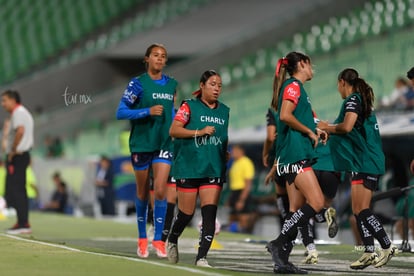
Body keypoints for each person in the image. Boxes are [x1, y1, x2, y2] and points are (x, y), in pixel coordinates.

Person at [318, 68, 398, 269]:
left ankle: (387, 246)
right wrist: (331, 131)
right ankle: (369, 252)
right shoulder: (358, 100)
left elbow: (346, 127)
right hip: (359, 161)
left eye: (338, 85)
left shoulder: (353, 100)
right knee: (357, 210)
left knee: (362, 209)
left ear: (342, 82)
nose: (338, 89)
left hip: (366, 161)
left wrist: (327, 127)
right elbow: (347, 130)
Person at [264, 52, 327, 274]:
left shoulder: (295, 87)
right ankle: (279, 242)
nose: (313, 68)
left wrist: (315, 129)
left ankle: (282, 260)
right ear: (302, 64)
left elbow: (294, 118)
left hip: (291, 155)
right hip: (295, 155)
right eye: (311, 63)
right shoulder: (293, 86)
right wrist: (310, 131)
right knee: (317, 203)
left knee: (294, 210)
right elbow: (285, 115)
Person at [116, 43, 177, 258]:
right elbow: (121, 112)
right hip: (142, 143)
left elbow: (172, 111)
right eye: (156, 55)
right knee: (142, 191)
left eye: (163, 56)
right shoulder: (137, 84)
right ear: (147, 59)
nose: (160, 59)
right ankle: (142, 237)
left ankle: (158, 239)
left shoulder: (172, 85)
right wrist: (146, 111)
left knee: (160, 190)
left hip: (164, 144)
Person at [167, 70, 229, 267]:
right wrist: (199, 132)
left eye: (219, 85)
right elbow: (174, 130)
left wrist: (223, 153)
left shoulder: (225, 110)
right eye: (212, 84)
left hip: (213, 168)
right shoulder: (189, 106)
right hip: (189, 167)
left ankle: (201, 257)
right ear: (202, 85)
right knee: (186, 213)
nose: (217, 88)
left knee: (209, 212)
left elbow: (222, 138)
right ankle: (172, 239)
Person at [1, 90, 34, 234]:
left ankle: (23, 223)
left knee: (18, 190)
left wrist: (13, 149)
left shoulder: (18, 112)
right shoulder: (20, 112)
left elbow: (20, 131)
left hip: (18, 155)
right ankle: (21, 222)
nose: (3, 104)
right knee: (18, 189)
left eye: (4, 100)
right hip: (20, 155)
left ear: (13, 100)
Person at [227, 144, 255, 233]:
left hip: (242, 192)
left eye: (234, 151)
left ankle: (245, 233)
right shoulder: (235, 163)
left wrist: (241, 200)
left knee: (243, 218)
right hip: (235, 192)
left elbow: (248, 184)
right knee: (232, 217)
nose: (232, 153)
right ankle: (233, 234)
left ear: (241, 152)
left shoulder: (246, 162)